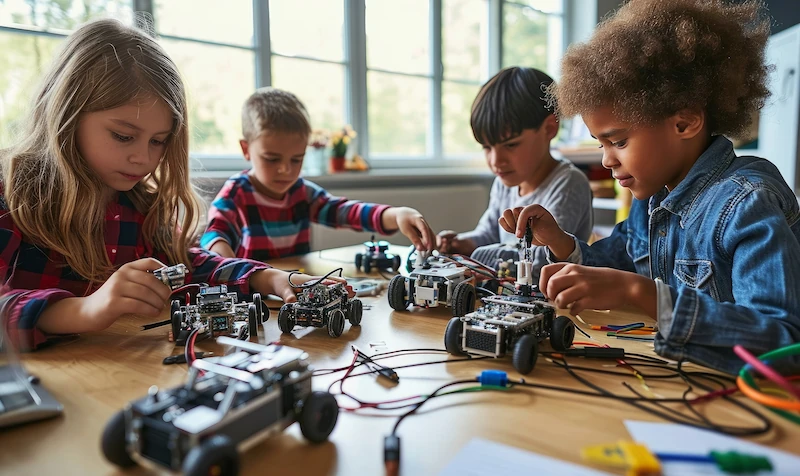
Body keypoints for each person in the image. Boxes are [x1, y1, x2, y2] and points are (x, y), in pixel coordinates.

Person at [499, 0, 800, 374]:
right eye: (601, 144)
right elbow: (617, 264)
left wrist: (641, 295)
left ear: (685, 122)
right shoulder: (654, 195)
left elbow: (784, 343)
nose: (607, 160)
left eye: (619, 142)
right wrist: (559, 241)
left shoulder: (747, 203)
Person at [0, 19, 325, 351]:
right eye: (123, 136)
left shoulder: (138, 204)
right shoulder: (10, 194)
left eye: (158, 141)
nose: (142, 158)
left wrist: (267, 277)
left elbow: (187, 266)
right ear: (66, 112)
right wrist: (82, 309)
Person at [200, 88, 435, 261]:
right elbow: (214, 235)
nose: (286, 169)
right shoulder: (236, 194)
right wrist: (225, 261)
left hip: (294, 290)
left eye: (297, 159)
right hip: (255, 293)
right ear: (245, 149)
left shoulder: (302, 193)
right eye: (272, 159)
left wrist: (396, 215)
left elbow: (346, 212)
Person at [436, 66, 592, 278]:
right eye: (487, 147)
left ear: (549, 129)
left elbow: (539, 262)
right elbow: (489, 233)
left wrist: (477, 257)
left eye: (510, 145)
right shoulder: (505, 181)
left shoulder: (568, 183)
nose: (495, 161)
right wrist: (462, 243)